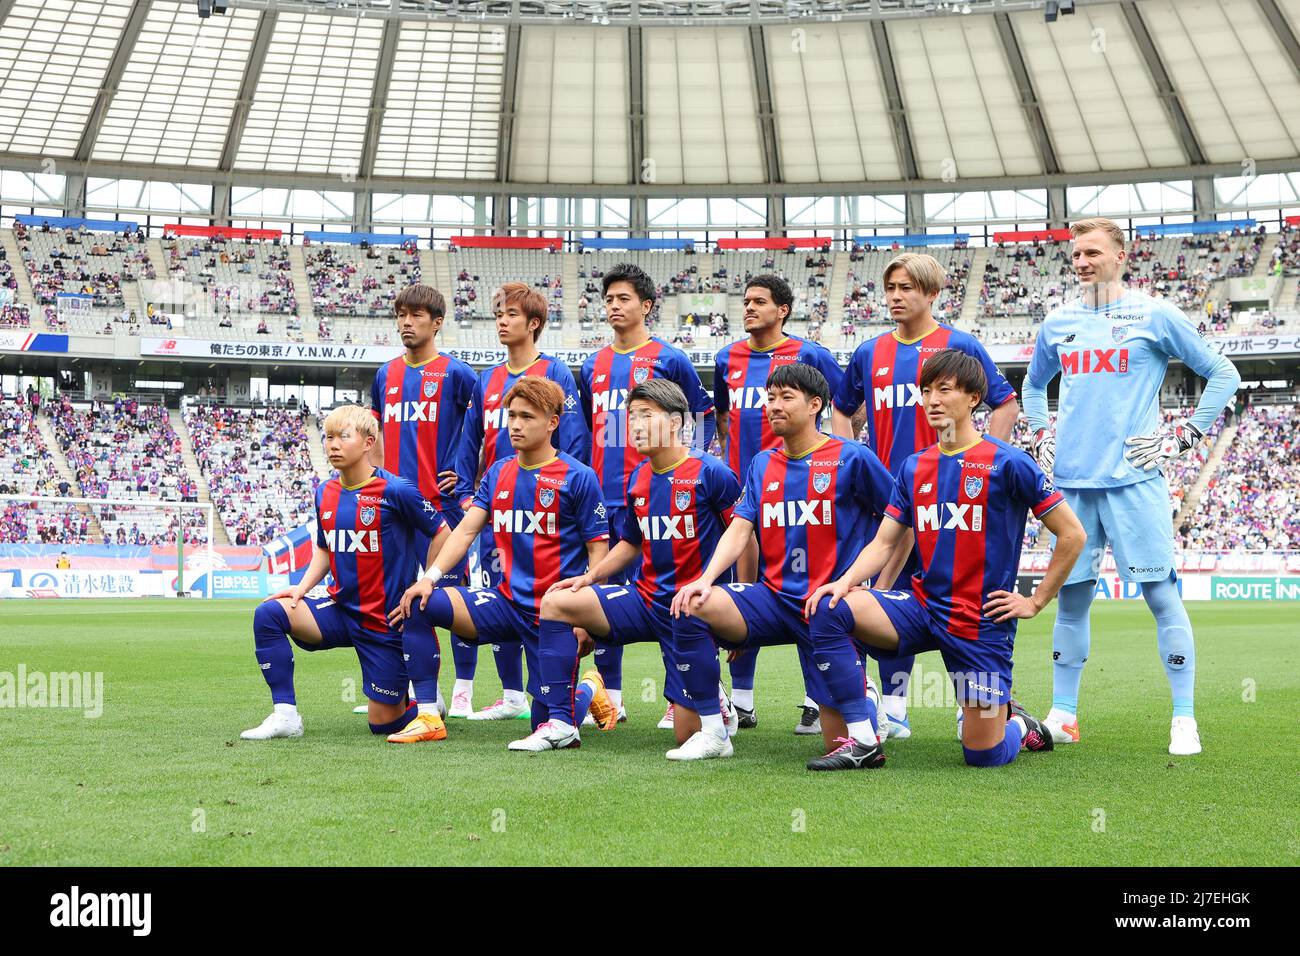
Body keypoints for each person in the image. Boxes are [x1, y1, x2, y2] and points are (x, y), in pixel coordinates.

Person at [805, 349, 1085, 770]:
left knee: (983, 755)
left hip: (979, 619)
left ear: (974, 398)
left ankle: (1019, 725)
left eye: (944, 390)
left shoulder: (1009, 462)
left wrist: (1035, 601)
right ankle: (863, 739)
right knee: (829, 606)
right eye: (926, 391)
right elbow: (884, 544)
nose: (932, 400)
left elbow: (1072, 534)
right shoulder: (915, 467)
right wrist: (844, 582)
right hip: (921, 607)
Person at [1022, 217, 1241, 756]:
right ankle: (1064, 715)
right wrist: (1039, 431)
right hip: (1071, 485)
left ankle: (1184, 718)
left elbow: (1223, 373)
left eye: (1093, 252)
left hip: (1135, 481)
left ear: (1122, 257)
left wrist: (1184, 437)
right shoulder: (1059, 322)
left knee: (1161, 596)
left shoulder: (1155, 314)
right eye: (1076, 254)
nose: (1082, 262)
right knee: (1072, 601)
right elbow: (1031, 386)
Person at [830, 252, 1020, 741]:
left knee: (958, 602)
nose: (895, 296)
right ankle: (893, 708)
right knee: (891, 603)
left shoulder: (958, 345)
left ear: (932, 293)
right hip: (889, 502)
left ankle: (977, 702)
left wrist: (986, 458)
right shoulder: (870, 351)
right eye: (890, 287)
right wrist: (850, 460)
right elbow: (841, 408)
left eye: (907, 288)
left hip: (946, 506)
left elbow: (1005, 401)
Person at [669, 363, 901, 762]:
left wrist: (876, 590)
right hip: (773, 600)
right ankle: (715, 731)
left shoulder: (853, 458)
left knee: (836, 743)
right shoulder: (761, 463)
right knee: (690, 604)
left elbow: (901, 522)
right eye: (770, 397)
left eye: (786, 397)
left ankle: (862, 692)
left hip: (827, 609)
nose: (774, 406)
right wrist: (706, 579)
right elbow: (740, 530)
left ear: (815, 405)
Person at [387, 378, 614, 751]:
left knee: (550, 721)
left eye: (527, 416)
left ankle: (589, 687)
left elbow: (598, 553)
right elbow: (463, 533)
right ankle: (428, 715)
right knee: (419, 603)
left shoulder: (579, 477)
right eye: (511, 416)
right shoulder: (498, 472)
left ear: (553, 422)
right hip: (506, 604)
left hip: (555, 615)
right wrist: (428, 578)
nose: (515, 425)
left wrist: (586, 614)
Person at [537, 379, 742, 756]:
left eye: (646, 416)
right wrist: (589, 577)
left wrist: (741, 600)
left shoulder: (713, 473)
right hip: (645, 599)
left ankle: (714, 698)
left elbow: (744, 536)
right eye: (631, 417)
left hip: (690, 610)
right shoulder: (638, 478)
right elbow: (631, 543)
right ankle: (562, 722)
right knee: (557, 600)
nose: (635, 426)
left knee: (685, 734)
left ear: (678, 422)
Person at [240, 404, 449, 740]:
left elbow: (442, 531)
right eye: (328, 437)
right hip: (340, 610)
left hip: (385, 619)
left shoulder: (396, 490)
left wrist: (427, 580)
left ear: (368, 442)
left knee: (382, 724)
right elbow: (325, 548)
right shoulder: (325, 492)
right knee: (269, 614)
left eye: (343, 436)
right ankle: (286, 716)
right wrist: (301, 588)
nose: (333, 444)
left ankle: (423, 700)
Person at [577, 263, 716, 721]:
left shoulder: (669, 358)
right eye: (609, 299)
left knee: (669, 594)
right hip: (603, 496)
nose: (614, 307)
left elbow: (703, 413)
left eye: (624, 299)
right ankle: (610, 699)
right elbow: (582, 427)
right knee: (604, 600)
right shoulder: (591, 364)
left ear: (647, 305)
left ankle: (683, 698)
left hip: (658, 497)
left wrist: (688, 471)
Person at [710, 273, 844, 734]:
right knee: (745, 588)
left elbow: (845, 403)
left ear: (782, 310)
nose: (748, 308)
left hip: (803, 488)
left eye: (759, 302)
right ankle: (742, 702)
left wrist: (831, 456)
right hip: (746, 490)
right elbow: (724, 418)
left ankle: (817, 700)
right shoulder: (726, 356)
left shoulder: (810, 355)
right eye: (745, 301)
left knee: (807, 585)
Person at [452, 282, 590, 721]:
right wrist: (462, 495)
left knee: (552, 602)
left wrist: (565, 498)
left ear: (533, 323)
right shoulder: (486, 378)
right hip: (498, 506)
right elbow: (469, 438)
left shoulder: (557, 372)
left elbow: (574, 442)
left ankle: (570, 692)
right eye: (498, 314)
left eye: (511, 314)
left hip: (547, 509)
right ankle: (512, 696)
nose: (502, 321)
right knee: (500, 598)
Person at [364, 283, 477, 717]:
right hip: (394, 507)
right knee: (395, 599)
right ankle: (405, 689)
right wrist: (376, 483)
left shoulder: (458, 374)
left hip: (443, 505)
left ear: (437, 322)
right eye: (401, 314)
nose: (406, 322)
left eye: (415, 315)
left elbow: (484, 430)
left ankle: (463, 689)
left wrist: (470, 477)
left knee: (451, 597)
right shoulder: (385, 374)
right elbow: (375, 435)